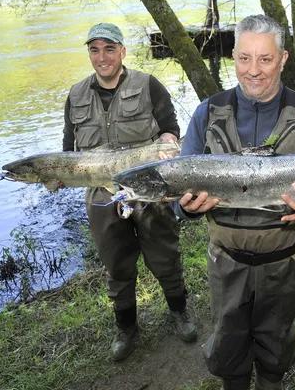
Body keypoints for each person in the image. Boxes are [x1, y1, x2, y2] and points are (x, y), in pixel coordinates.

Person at [174, 14, 295, 390]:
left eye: (265, 59)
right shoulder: (207, 114)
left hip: (287, 262)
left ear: (284, 59)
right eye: (244, 58)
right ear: (234, 57)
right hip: (227, 262)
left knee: (275, 344)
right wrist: (184, 206)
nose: (253, 71)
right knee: (228, 344)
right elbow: (177, 186)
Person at [62, 22, 197, 362]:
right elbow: (68, 151)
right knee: (116, 265)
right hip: (101, 195)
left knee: (164, 256)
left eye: (109, 49)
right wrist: (59, 176)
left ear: (122, 51)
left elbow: (170, 129)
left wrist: (168, 143)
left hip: (149, 189)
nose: (102, 57)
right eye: (95, 49)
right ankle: (126, 328)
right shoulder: (76, 94)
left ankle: (180, 312)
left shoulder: (148, 85)